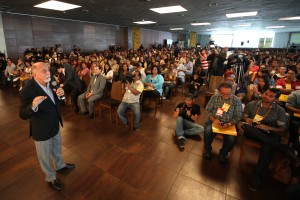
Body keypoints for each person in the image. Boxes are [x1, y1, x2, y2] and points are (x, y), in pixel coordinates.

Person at [19, 62, 75, 191]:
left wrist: (60, 95)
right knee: (44, 155)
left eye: (48, 70)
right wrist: (33, 105)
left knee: (56, 148)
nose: (48, 73)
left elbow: (56, 100)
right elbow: (22, 114)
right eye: (44, 70)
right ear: (34, 73)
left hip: (54, 123)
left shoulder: (51, 81)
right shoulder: (28, 89)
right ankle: (50, 177)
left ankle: (60, 165)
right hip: (41, 128)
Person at [242, 88, 291, 191]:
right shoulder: (252, 104)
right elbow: (244, 117)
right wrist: (247, 119)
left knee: (268, 146)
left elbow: (282, 130)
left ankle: (257, 177)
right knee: (246, 127)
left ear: (276, 99)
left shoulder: (279, 110)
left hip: (269, 134)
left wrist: (268, 128)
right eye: (266, 94)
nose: (266, 96)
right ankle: (279, 147)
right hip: (253, 131)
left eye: (270, 96)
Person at [204, 82, 242, 166]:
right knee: (207, 132)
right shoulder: (215, 97)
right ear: (219, 91)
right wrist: (213, 119)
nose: (225, 96)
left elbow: (238, 116)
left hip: (229, 124)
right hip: (214, 121)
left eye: (228, 94)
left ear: (232, 92)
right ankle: (208, 150)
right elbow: (207, 110)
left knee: (231, 140)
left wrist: (229, 124)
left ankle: (223, 154)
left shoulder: (236, 101)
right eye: (222, 93)